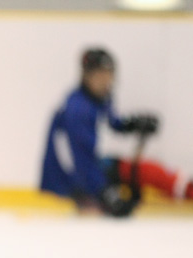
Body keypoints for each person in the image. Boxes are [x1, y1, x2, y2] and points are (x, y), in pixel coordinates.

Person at [40, 47, 193, 217]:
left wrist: (131, 124)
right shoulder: (77, 110)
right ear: (87, 76)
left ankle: (189, 189)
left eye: (109, 75)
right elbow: (77, 162)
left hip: (91, 169)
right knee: (144, 172)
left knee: (147, 171)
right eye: (101, 75)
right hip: (73, 181)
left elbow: (113, 122)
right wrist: (104, 192)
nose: (107, 80)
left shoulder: (99, 96)